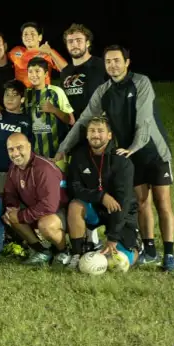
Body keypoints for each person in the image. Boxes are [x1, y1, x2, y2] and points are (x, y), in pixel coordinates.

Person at [55, 45, 174, 271]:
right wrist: (64, 148)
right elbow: (83, 121)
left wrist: (134, 147)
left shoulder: (141, 82)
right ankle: (150, 250)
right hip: (129, 154)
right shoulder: (104, 91)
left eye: (117, 60)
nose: (112, 65)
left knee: (163, 203)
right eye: (108, 61)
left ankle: (169, 255)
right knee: (141, 203)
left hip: (153, 151)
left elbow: (144, 120)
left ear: (127, 62)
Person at [59, 114, 139, 272]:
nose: (96, 135)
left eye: (100, 131)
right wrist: (100, 196)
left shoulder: (122, 161)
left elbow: (122, 202)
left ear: (109, 135)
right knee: (75, 205)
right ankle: (77, 253)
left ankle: (136, 247)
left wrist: (113, 237)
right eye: (92, 131)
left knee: (122, 262)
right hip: (95, 207)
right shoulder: (79, 156)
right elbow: (74, 188)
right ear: (87, 134)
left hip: (119, 212)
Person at [2, 132, 68, 267]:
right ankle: (42, 251)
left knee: (46, 225)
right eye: (11, 149)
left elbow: (49, 206)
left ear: (29, 146)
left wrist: (21, 215)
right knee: (10, 215)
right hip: (37, 210)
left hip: (61, 211)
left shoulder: (44, 168)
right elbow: (9, 192)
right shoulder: (14, 167)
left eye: (19, 147)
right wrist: (11, 207)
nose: (15, 153)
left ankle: (63, 252)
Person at [24, 57, 74, 158]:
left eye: (37, 71)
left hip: (57, 154)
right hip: (34, 155)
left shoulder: (56, 91)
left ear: (46, 74)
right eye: (30, 71)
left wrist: (54, 110)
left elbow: (71, 121)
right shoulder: (26, 94)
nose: (33, 75)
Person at [57, 23, 108, 118]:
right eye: (70, 41)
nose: (74, 44)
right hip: (74, 128)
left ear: (87, 43)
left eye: (79, 40)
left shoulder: (102, 65)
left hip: (98, 127)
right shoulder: (65, 72)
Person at [0, 81, 31, 193]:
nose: (10, 98)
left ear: (22, 99)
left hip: (19, 170)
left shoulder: (27, 120)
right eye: (7, 95)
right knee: (1, 202)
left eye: (15, 95)